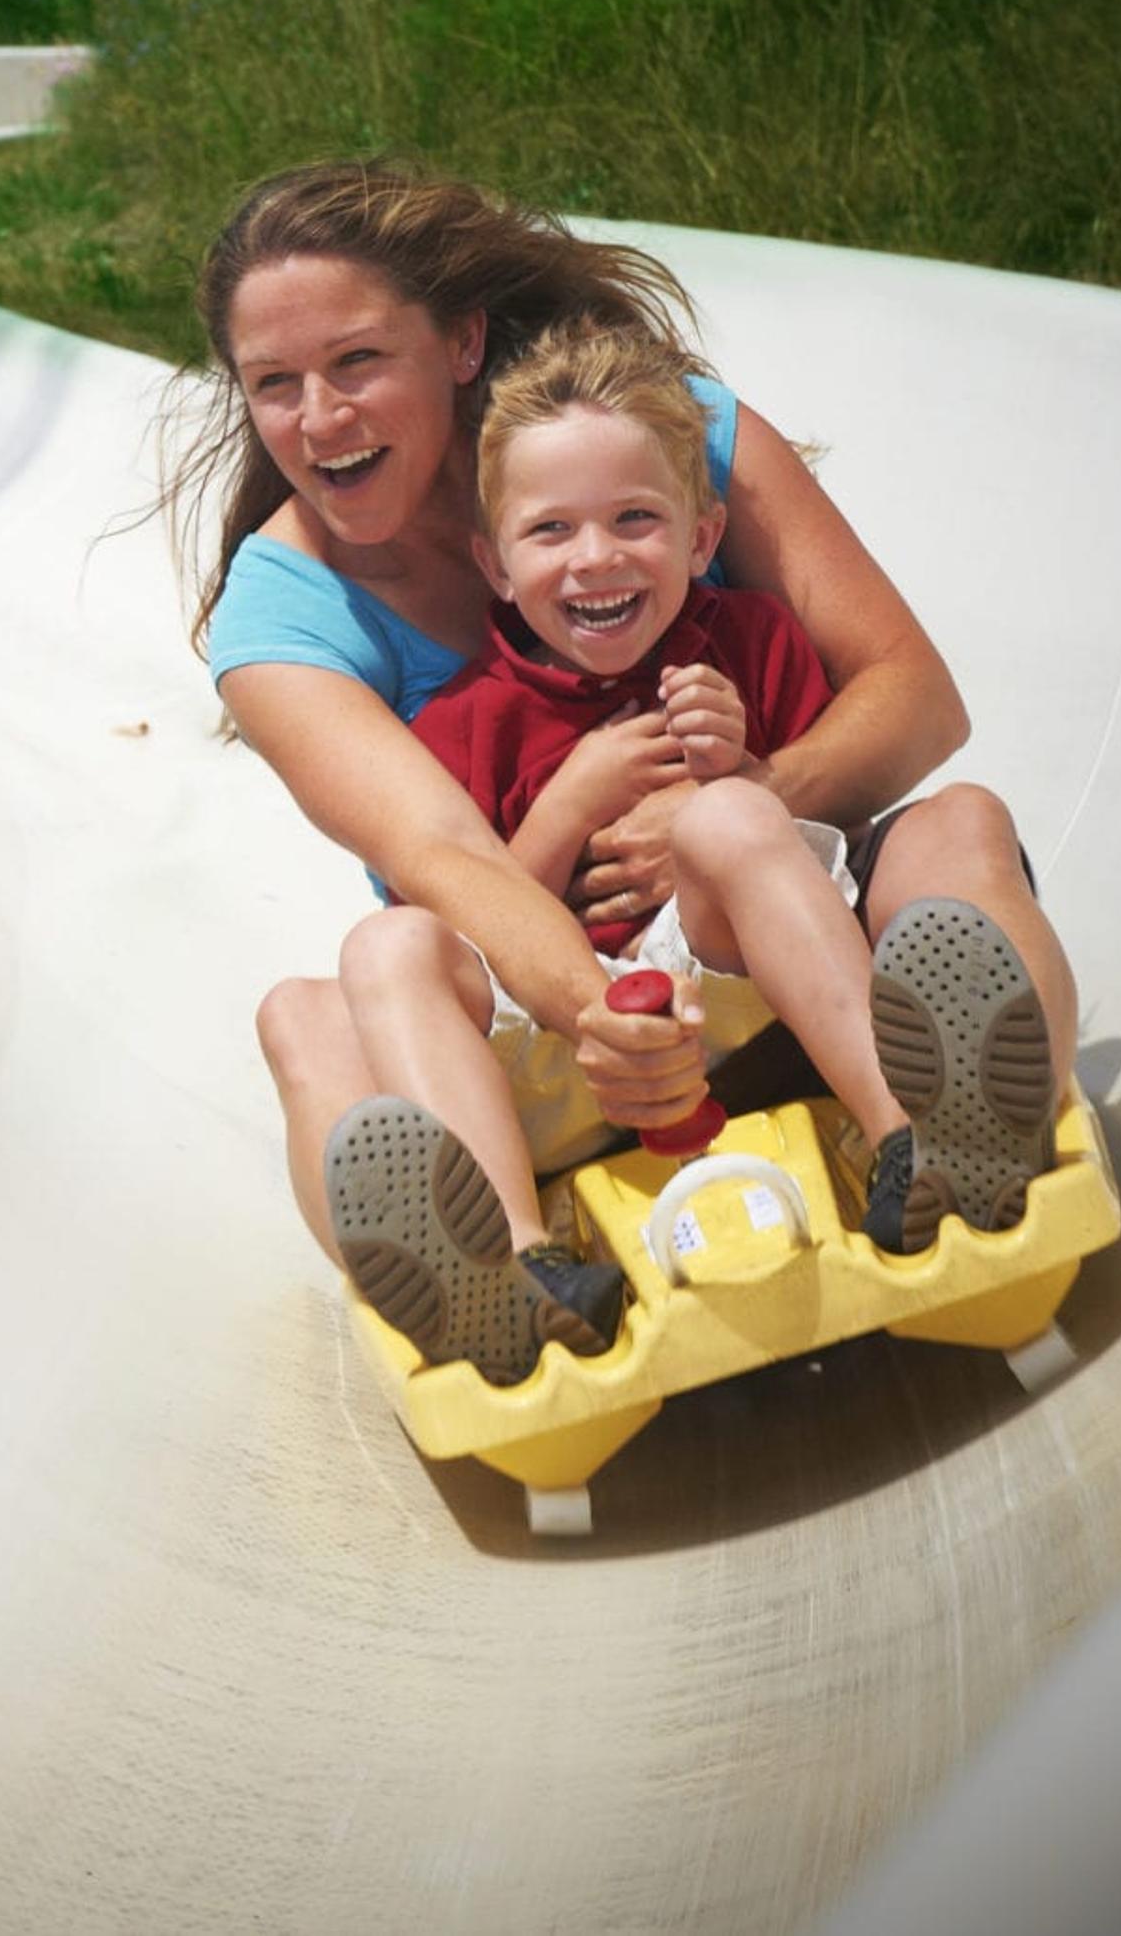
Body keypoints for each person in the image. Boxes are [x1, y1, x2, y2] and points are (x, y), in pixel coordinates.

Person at [183, 160, 1076, 1386]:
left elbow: (917, 699)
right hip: (555, 1042)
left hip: (771, 961)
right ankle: (485, 1280)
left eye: (356, 362)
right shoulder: (280, 620)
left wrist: (732, 806)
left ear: (461, 343)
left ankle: (968, 1126)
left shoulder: (653, 432)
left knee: (956, 826)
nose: (319, 419)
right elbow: (440, 854)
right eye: (272, 386)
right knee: (312, 1016)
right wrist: (595, 1009)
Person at [401, 317, 1055, 1288]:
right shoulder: (466, 723)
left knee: (917, 816)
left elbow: (832, 851)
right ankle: (509, 1278)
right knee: (375, 955)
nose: (596, 559)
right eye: (550, 530)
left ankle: (930, 1140)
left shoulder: (751, 645)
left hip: (750, 1004)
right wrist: (572, 802)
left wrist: (743, 769)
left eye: (635, 520)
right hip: (578, 1039)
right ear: (495, 565)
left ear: (704, 536)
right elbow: (478, 929)